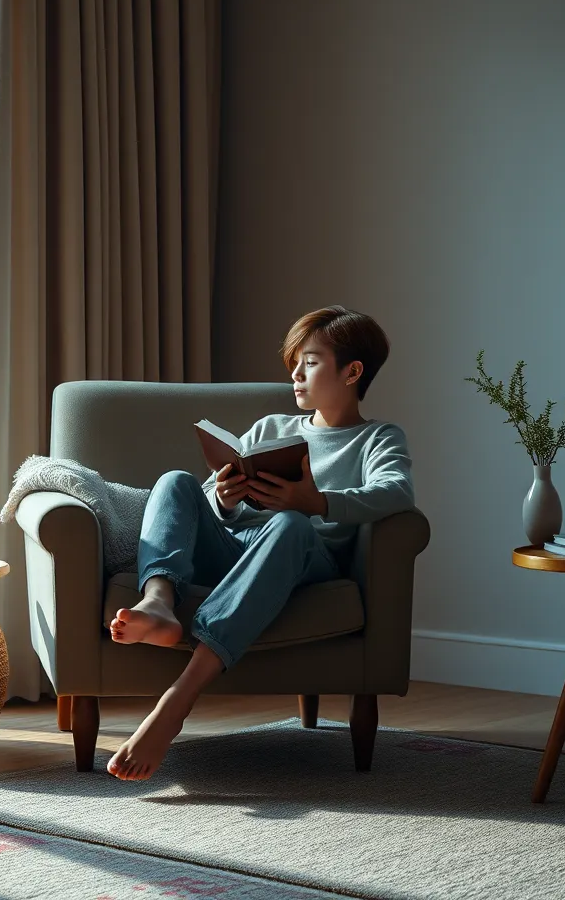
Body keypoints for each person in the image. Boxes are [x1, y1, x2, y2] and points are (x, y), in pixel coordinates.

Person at [106, 305, 415, 780]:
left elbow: (397, 492)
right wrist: (224, 500)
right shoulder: (273, 429)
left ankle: (177, 701)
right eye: (295, 362)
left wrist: (316, 502)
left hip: (304, 557)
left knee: (289, 524)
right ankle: (159, 602)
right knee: (175, 481)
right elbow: (204, 502)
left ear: (352, 372)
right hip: (237, 547)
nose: (295, 374)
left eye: (310, 362)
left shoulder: (377, 438)